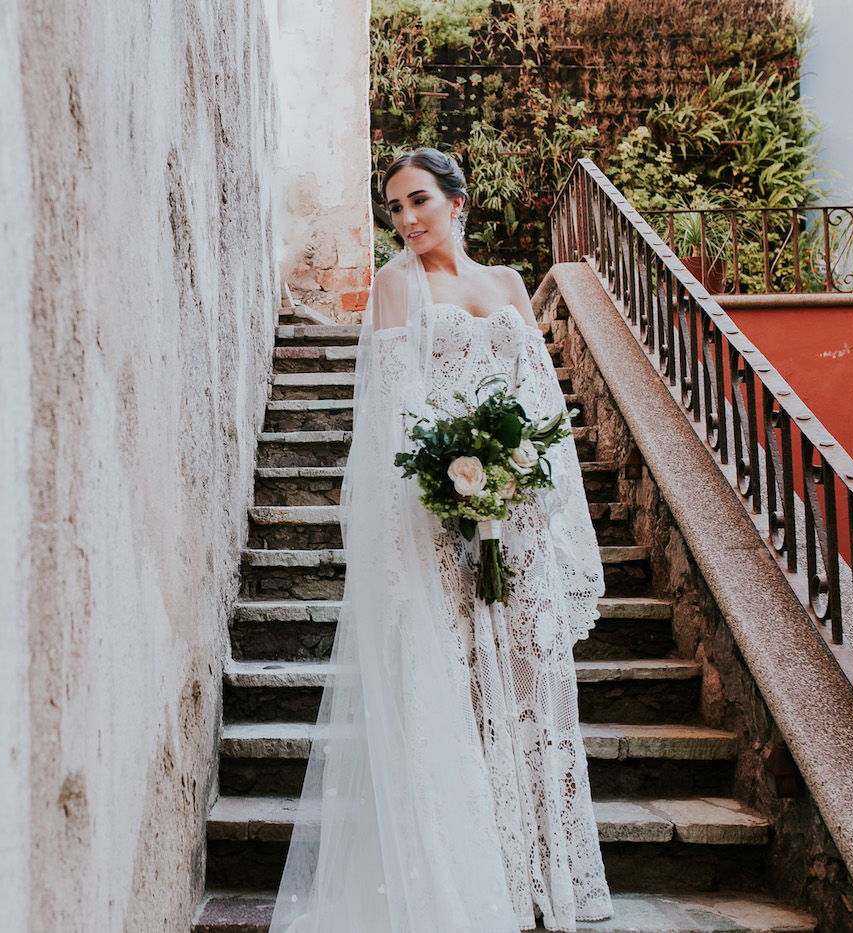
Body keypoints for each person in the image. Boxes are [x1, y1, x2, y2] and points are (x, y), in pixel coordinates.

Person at [269, 149, 612, 933]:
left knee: (527, 696)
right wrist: (445, 495)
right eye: (394, 207)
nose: (407, 219)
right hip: (438, 521)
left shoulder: (511, 287)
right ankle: (469, 880)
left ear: (458, 201)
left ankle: (537, 875)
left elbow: (542, 409)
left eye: (418, 200)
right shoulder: (397, 285)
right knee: (454, 700)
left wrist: (525, 485)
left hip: (515, 519)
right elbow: (393, 411)